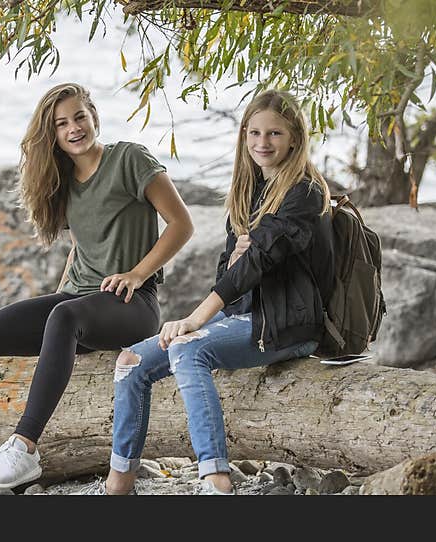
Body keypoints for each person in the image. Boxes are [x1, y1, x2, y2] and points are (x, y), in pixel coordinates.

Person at [0, 83, 194, 494]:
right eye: (61, 124)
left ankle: (24, 447)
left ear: (94, 117)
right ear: (51, 134)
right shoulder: (64, 179)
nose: (73, 129)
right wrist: (58, 298)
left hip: (131, 304)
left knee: (64, 314)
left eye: (79, 117)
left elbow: (182, 224)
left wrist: (137, 274)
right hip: (78, 306)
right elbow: (81, 246)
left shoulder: (130, 159)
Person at [92, 89, 334, 495]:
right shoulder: (248, 190)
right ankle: (119, 483)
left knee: (188, 348)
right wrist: (241, 255)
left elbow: (259, 262)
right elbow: (230, 269)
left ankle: (216, 480)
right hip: (242, 314)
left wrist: (197, 317)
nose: (262, 143)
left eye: (274, 133)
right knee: (131, 360)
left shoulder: (305, 192)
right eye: (253, 132)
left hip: (287, 323)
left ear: (294, 137)